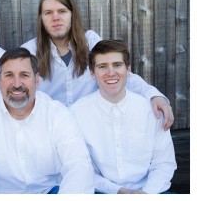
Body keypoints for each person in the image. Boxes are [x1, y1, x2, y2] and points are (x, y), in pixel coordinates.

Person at [21, 0, 173, 129]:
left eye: (62, 11)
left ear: (72, 14)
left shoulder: (91, 41)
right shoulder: (29, 51)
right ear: (41, 18)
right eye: (48, 13)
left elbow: (116, 74)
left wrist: (154, 95)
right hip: (52, 129)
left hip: (92, 127)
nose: (56, 18)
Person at [0, 48, 93, 194]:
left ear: (36, 80)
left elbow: (79, 167)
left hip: (49, 192)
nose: (17, 84)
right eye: (9, 75)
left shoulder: (57, 114)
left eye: (24, 75)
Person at [70, 40, 176, 194]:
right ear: (92, 73)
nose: (111, 72)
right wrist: (118, 191)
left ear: (128, 70)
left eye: (117, 65)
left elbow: (164, 163)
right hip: (102, 192)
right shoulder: (76, 114)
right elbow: (80, 168)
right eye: (102, 66)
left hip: (152, 191)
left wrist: (147, 193)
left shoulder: (152, 110)